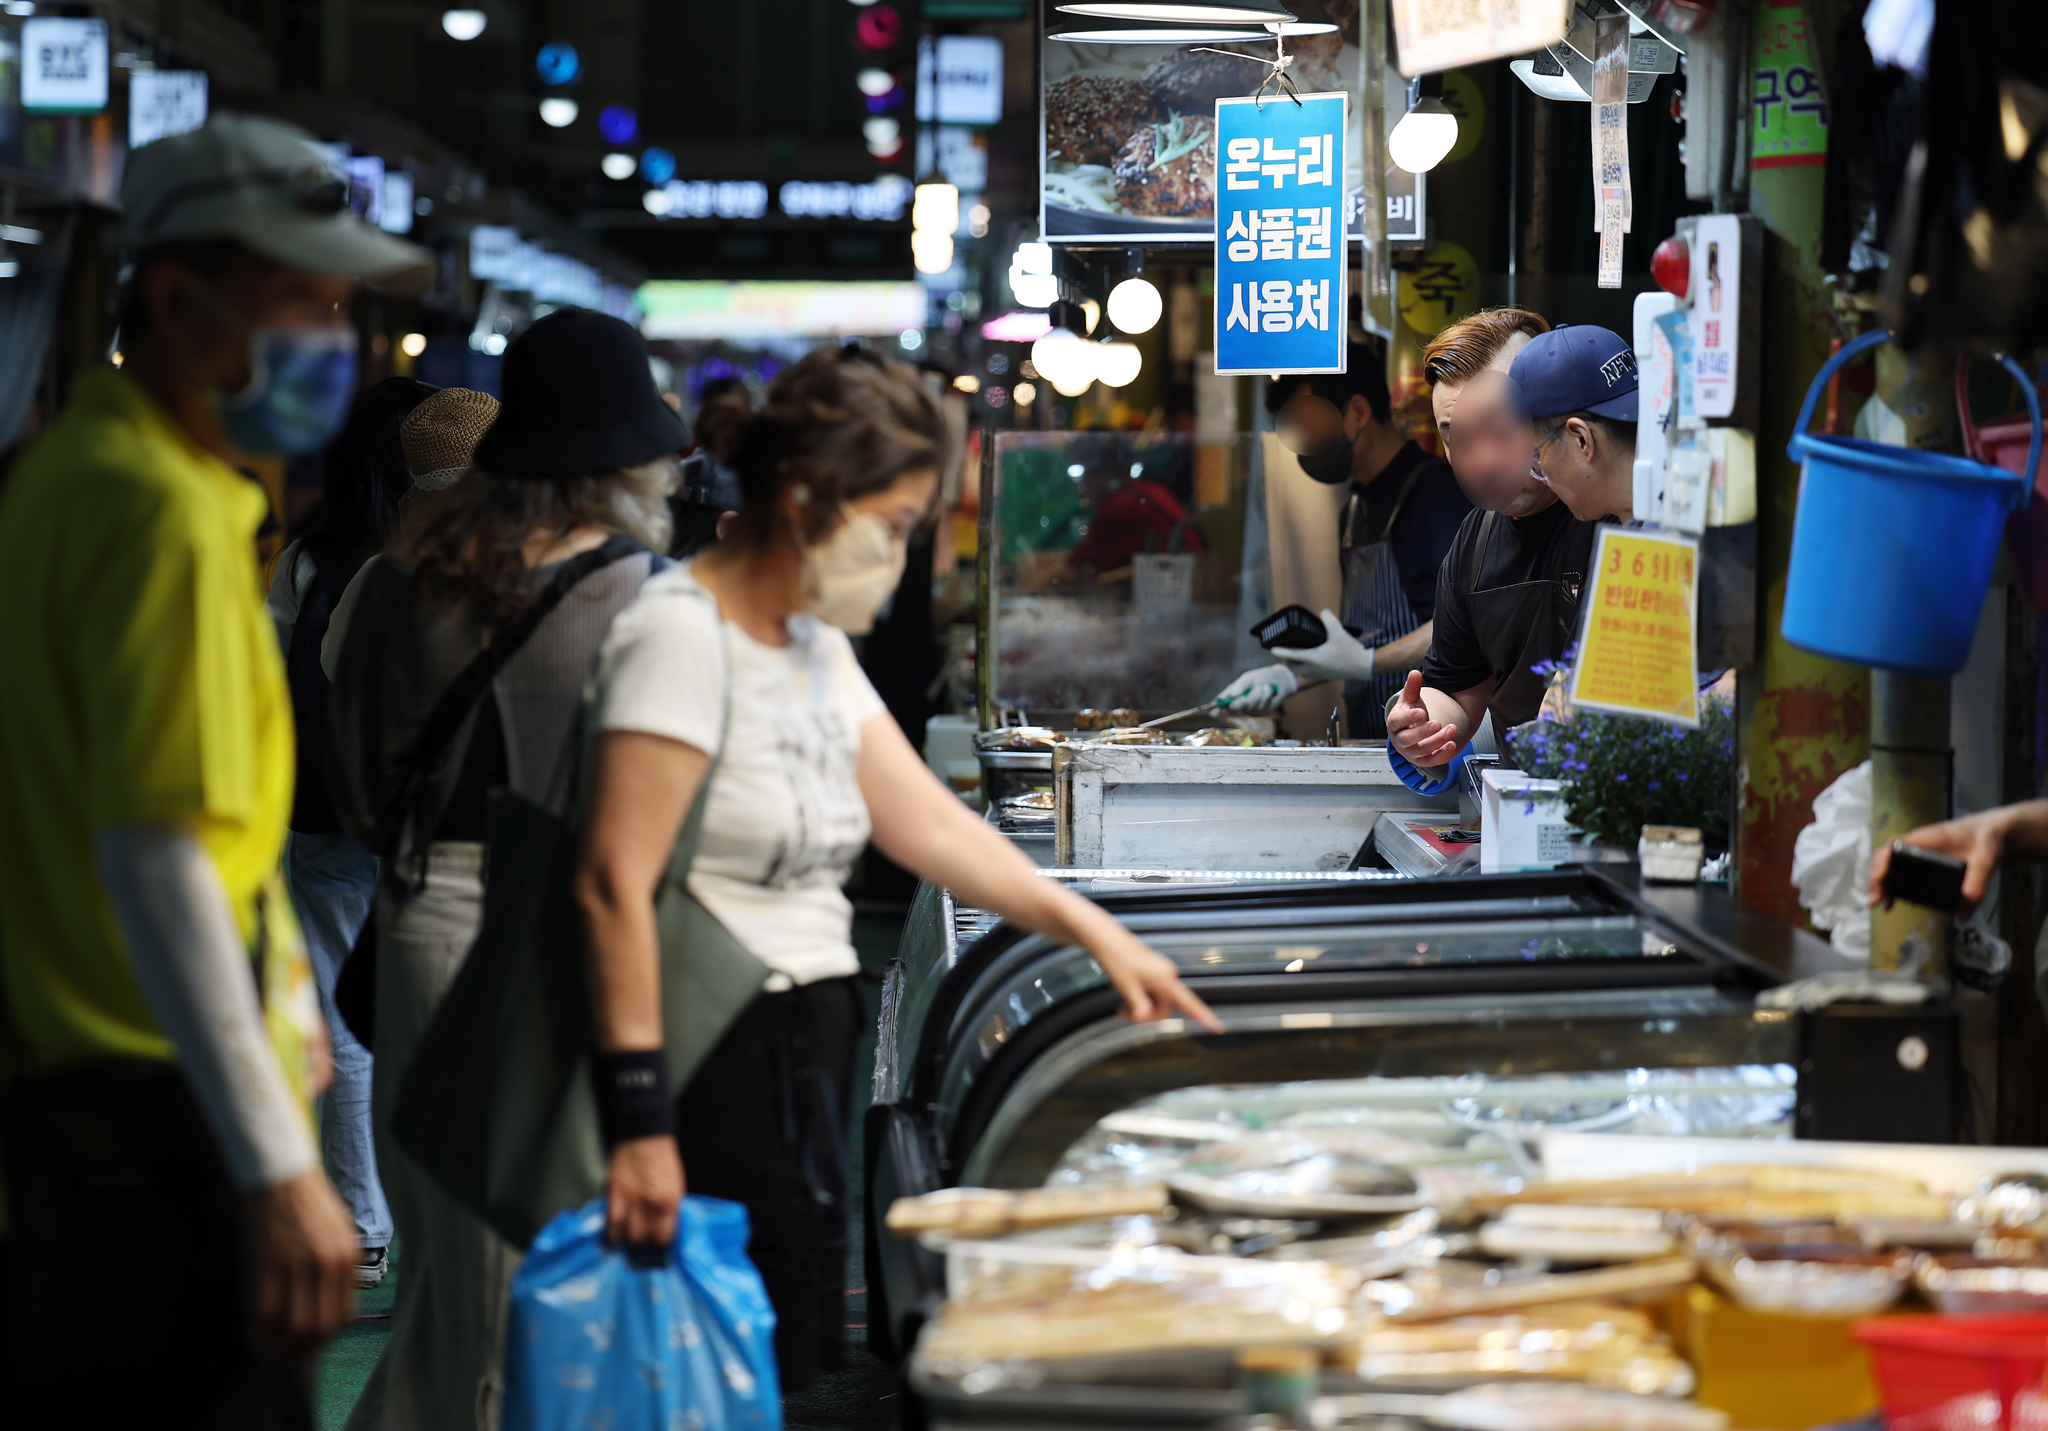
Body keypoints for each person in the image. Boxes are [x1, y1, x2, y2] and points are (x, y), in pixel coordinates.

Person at [576, 345, 1219, 1392]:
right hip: (705, 1054)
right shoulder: (675, 638)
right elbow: (611, 884)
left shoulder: (808, 643)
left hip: (796, 1041)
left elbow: (925, 824)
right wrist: (640, 1123)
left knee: (777, 1349)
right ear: (802, 497)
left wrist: (1099, 933)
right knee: (711, 1366)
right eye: (889, 528)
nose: (897, 555)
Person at [0, 113, 430, 1426]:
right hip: (165, 1128)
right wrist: (279, 1166)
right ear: (176, 298)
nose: (334, 336)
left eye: (341, 301)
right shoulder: (168, 512)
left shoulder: (68, 470)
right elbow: (163, 858)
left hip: (73, 1124)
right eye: (299, 297)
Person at [329, 309, 685, 1431]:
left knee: (451, 1276)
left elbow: (354, 774)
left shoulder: (397, 580)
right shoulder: (641, 595)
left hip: (418, 923)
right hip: (570, 928)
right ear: (623, 465)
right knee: (506, 1297)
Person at [267, 376, 438, 1290]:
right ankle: (437, 1230)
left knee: (346, 1021)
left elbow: (267, 688)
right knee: (440, 1010)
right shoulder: (460, 559)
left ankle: (363, 1225)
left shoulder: (307, 560)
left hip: (329, 814)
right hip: (434, 819)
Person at [1385, 325, 1636, 784]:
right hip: (1530, 809)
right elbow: (1459, 695)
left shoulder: (1623, 516)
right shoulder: (1472, 546)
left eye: (1502, 427)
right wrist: (1422, 726)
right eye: (1456, 436)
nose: (1484, 460)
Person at [1214, 343, 1472, 736]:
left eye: (1308, 423)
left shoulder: (1436, 494)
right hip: (1373, 738)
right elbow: (1356, 646)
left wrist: (1368, 661)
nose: (1303, 440)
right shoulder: (1351, 511)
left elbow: (1466, 622)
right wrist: (1291, 677)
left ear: (1358, 412)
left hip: (1433, 736)